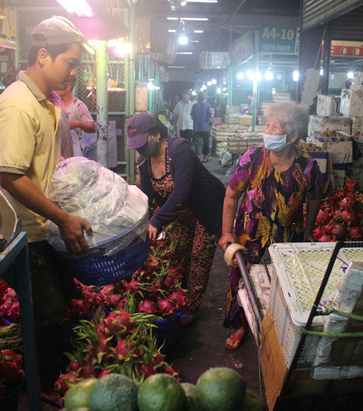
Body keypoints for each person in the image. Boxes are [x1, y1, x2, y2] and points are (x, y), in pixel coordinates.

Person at [0, 16, 93, 404]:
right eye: (70, 61)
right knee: (49, 313)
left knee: (65, 304)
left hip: (44, 227)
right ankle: (44, 386)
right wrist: (62, 218)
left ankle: (53, 373)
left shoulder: (43, 103)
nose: (74, 71)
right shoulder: (18, 105)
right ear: (43, 55)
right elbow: (13, 177)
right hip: (25, 233)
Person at [218, 101, 322, 350]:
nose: (267, 131)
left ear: (293, 135)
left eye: (274, 127)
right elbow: (231, 195)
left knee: (282, 285)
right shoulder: (252, 158)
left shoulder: (308, 167)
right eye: (267, 125)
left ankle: (275, 327)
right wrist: (226, 233)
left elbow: (316, 198)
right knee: (243, 281)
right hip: (249, 236)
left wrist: (308, 231)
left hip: (287, 238)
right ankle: (243, 324)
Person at [127, 112, 225, 327]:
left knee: (199, 255)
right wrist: (136, 219)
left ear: (155, 134)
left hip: (207, 207)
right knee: (177, 253)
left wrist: (156, 220)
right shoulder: (144, 162)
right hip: (181, 214)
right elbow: (146, 195)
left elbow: (181, 191)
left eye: (142, 144)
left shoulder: (179, 150)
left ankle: (191, 307)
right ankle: (177, 298)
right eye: (135, 146)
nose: (139, 150)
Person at [57, 76, 95, 157]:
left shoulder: (78, 105)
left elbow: (92, 127)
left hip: (73, 148)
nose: (55, 89)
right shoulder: (54, 104)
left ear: (68, 87)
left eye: (58, 86)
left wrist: (78, 124)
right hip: (57, 147)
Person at [190, 92, 213, 162]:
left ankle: (197, 156)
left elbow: (191, 117)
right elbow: (211, 115)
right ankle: (205, 157)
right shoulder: (207, 105)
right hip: (205, 127)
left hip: (196, 127)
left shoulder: (194, 106)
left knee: (197, 142)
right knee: (205, 142)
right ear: (205, 98)